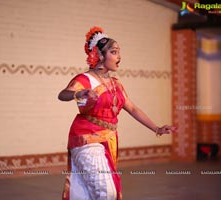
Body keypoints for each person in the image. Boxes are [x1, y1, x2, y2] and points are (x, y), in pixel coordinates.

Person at [58, 26, 177, 200]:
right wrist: (78, 93)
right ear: (99, 55)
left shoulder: (116, 84)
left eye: (118, 52)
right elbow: (62, 94)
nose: (119, 56)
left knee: (88, 193)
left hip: (109, 139)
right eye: (113, 52)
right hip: (86, 138)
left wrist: (157, 129)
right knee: (107, 191)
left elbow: (133, 108)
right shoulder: (85, 79)